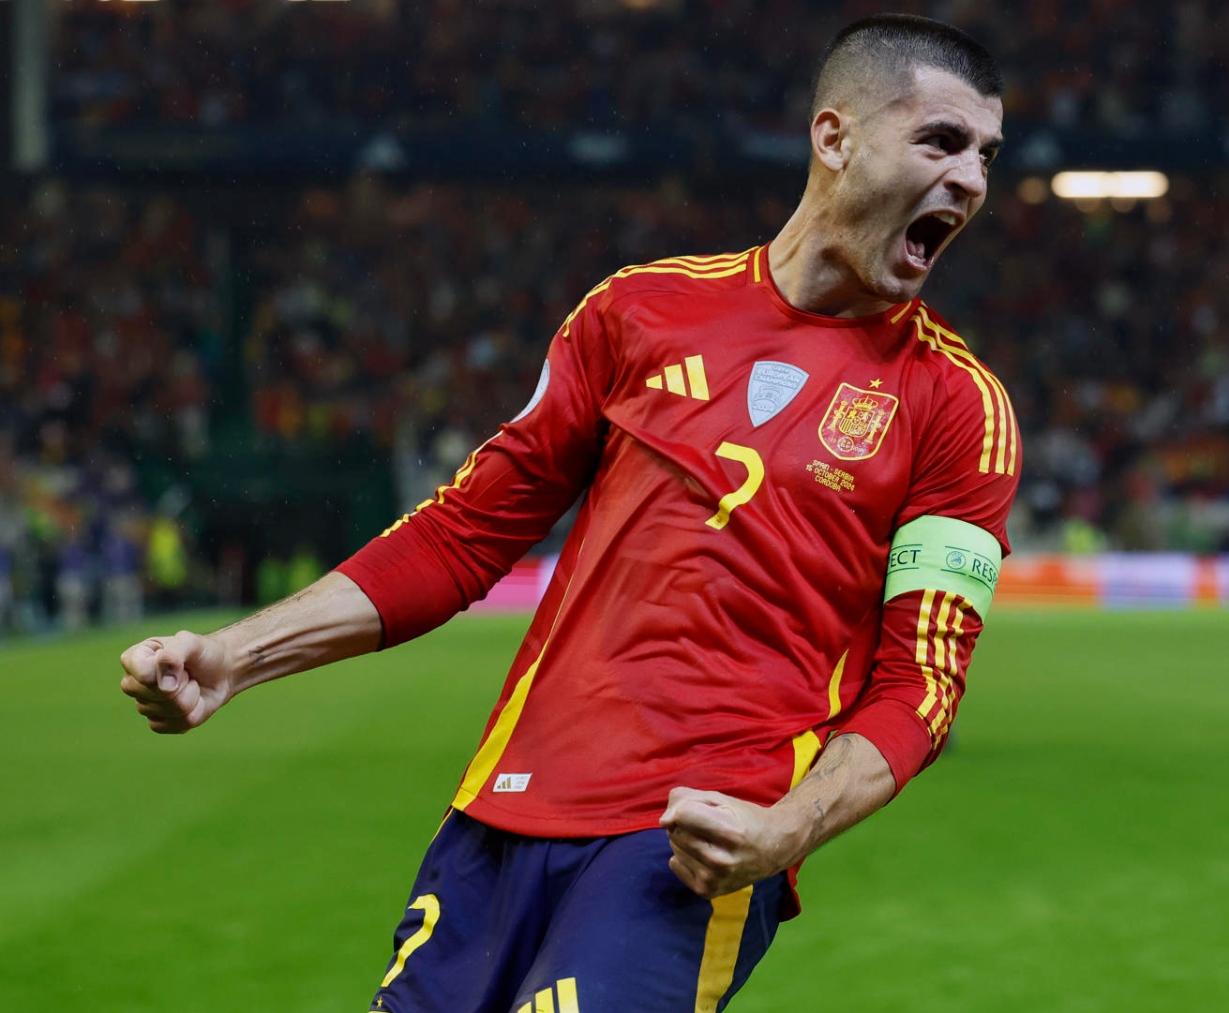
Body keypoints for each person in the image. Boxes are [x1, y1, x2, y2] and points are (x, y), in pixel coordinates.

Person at [118, 15, 1017, 1013]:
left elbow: (921, 684)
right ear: (835, 136)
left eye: (986, 154)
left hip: (690, 839)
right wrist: (238, 653)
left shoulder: (959, 407)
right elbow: (464, 531)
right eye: (940, 141)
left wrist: (788, 828)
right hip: (497, 818)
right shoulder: (639, 311)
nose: (972, 179)